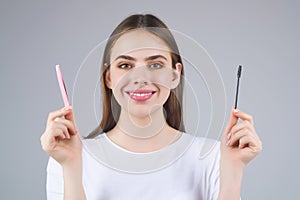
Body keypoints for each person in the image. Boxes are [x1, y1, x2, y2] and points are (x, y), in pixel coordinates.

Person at [40, 14, 262, 200]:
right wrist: (71, 166)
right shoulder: (70, 157)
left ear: (175, 75)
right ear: (108, 78)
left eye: (155, 64)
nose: (140, 78)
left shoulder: (214, 156)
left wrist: (233, 170)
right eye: (125, 65)